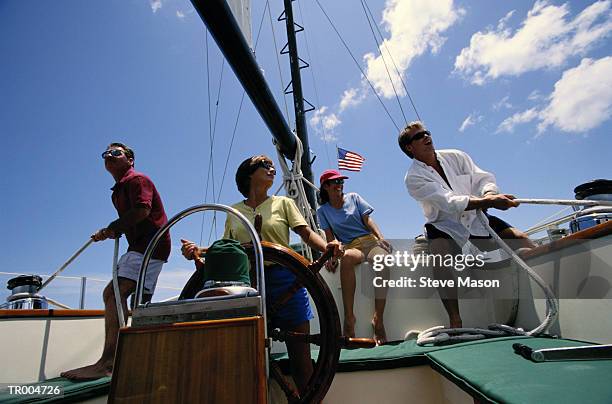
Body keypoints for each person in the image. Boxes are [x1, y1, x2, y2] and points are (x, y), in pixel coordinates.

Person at [181, 155, 342, 395]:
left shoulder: (284, 203)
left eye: (272, 166)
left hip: (287, 281)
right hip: (248, 286)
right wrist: (198, 251)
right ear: (248, 174)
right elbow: (227, 245)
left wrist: (327, 247)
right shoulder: (234, 211)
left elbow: (306, 233)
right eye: (264, 165)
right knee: (248, 358)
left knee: (301, 359)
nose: (271, 169)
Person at [398, 121, 535, 328]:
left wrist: (489, 193)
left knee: (521, 240)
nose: (427, 137)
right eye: (419, 136)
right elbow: (448, 202)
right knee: (440, 257)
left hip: (477, 217)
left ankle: (546, 295)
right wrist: (489, 201)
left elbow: (482, 178)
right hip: (444, 224)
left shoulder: (456, 156)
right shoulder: (413, 178)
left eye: (427, 132)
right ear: (409, 147)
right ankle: (455, 320)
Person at [62, 142, 171, 380]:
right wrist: (114, 229)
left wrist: (112, 228)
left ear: (130, 159)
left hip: (149, 245)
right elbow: (135, 217)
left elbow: (142, 210)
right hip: (142, 245)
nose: (109, 156)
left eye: (115, 153)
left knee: (113, 293)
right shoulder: (119, 189)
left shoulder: (137, 180)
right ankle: (133, 355)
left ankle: (108, 362)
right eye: (105, 154)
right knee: (128, 299)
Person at [317, 169, 391, 345]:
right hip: (351, 246)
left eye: (341, 182)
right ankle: (349, 319)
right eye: (335, 182)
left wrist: (381, 238)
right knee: (348, 258)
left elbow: (368, 221)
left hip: (370, 242)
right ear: (325, 187)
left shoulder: (354, 198)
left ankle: (378, 320)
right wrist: (331, 256)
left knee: (382, 260)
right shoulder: (323, 211)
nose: (339, 185)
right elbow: (330, 238)